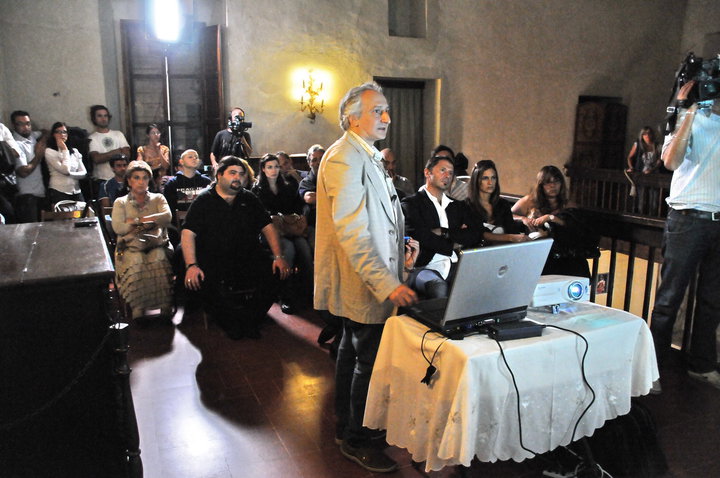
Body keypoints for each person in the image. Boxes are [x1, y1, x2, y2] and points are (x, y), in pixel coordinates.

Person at [315, 82, 418, 473]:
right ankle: (356, 437)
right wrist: (387, 282)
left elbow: (380, 216)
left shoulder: (365, 154)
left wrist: (403, 244)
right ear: (352, 117)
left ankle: (350, 425)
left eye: (388, 110)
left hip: (372, 273)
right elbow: (352, 230)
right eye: (378, 111)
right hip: (363, 277)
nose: (387, 119)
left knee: (350, 350)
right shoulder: (344, 157)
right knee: (367, 359)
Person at [650, 79, 720, 391]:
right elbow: (670, 161)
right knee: (669, 300)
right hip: (687, 218)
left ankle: (702, 366)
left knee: (711, 301)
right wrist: (688, 112)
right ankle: (651, 371)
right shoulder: (684, 117)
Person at [181, 156, 290, 340]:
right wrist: (191, 265)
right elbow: (188, 233)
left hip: (246, 257)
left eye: (241, 174)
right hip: (214, 259)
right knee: (202, 281)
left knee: (279, 272)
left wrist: (278, 256)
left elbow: (268, 227)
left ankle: (250, 319)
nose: (237, 177)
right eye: (232, 173)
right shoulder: (204, 200)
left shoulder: (249, 198)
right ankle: (231, 323)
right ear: (219, 175)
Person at [402, 155, 481, 299]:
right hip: (425, 266)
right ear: (428, 173)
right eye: (443, 170)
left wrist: (445, 232)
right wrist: (453, 244)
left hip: (457, 264)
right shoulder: (411, 204)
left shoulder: (457, 205)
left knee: (482, 282)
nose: (447, 176)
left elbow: (476, 233)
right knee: (438, 288)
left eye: (451, 173)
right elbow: (421, 236)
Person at [111, 160, 173, 320]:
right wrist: (150, 222)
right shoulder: (120, 202)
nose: (141, 181)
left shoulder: (158, 198)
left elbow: (166, 218)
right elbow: (119, 228)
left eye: (145, 178)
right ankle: (138, 307)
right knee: (136, 259)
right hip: (129, 247)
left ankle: (164, 305)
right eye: (136, 177)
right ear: (129, 181)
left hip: (157, 243)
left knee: (158, 257)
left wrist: (135, 220)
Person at [252, 153, 313, 314]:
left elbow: (298, 207)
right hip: (271, 233)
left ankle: (308, 293)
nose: (274, 170)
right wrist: (278, 216)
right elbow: (260, 216)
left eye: (276, 167)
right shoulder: (257, 189)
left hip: (290, 229)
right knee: (289, 251)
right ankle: (286, 295)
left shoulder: (287, 186)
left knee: (305, 250)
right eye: (270, 167)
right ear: (263, 169)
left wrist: (291, 217)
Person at [512, 165, 593, 278]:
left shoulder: (569, 205)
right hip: (538, 254)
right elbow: (509, 215)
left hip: (563, 255)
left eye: (556, 181)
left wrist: (551, 218)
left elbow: (574, 227)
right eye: (547, 182)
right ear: (541, 185)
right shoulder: (529, 201)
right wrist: (523, 219)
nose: (552, 185)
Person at [466, 159, 529, 244]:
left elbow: (513, 231)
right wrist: (509, 237)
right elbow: (477, 234)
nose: (490, 182)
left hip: (504, 251)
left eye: (493, 178)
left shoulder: (503, 204)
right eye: (485, 178)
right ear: (476, 181)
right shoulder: (466, 205)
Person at [10, 111, 46, 222]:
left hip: (40, 193)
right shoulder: (15, 144)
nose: (25, 127)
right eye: (20, 124)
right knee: (30, 232)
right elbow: (23, 172)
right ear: (14, 125)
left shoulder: (32, 136)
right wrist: (38, 156)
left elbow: (45, 132)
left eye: (28, 123)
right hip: (26, 196)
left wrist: (42, 141)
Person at [88, 105, 131, 196]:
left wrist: (106, 155)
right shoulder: (92, 138)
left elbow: (127, 155)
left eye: (105, 115)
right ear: (94, 118)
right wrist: (117, 151)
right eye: (99, 116)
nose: (103, 118)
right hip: (102, 180)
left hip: (121, 180)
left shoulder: (118, 134)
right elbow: (97, 158)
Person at [44, 121, 87, 206]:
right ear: (53, 134)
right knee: (63, 217)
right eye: (58, 132)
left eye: (64, 132)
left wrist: (70, 174)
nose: (62, 134)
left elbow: (83, 173)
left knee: (83, 214)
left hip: (76, 190)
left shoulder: (74, 151)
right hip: (59, 191)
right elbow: (65, 170)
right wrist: (64, 149)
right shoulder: (49, 151)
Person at [162, 149, 211, 222]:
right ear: (181, 161)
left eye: (196, 157)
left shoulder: (206, 182)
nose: (194, 158)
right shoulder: (172, 184)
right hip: (179, 226)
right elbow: (169, 209)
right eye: (190, 157)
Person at [298, 144, 324, 246]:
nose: (318, 162)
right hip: (314, 226)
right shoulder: (306, 182)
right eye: (314, 160)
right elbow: (309, 198)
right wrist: (334, 196)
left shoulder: (336, 178)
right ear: (309, 163)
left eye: (321, 158)